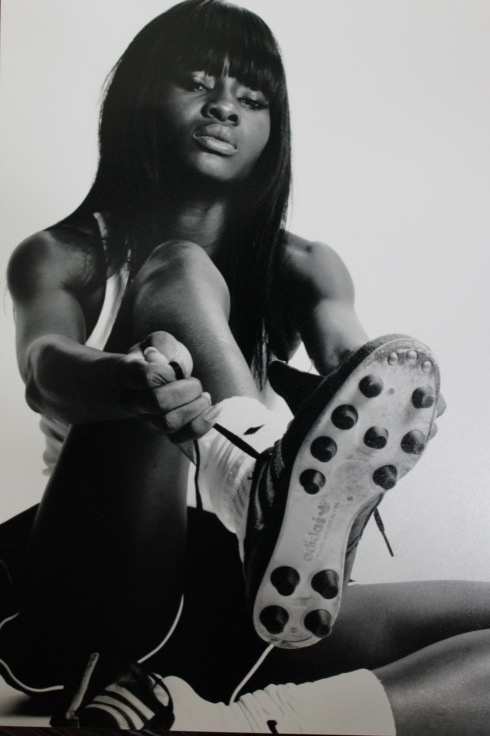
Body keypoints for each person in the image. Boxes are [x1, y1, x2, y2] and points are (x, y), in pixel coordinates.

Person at [1, 0, 489, 733]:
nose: (224, 107)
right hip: (101, 581)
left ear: (273, 129)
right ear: (138, 100)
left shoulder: (306, 268)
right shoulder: (66, 253)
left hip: (241, 599)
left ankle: (244, 722)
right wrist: (127, 381)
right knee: (176, 279)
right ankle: (255, 481)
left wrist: (391, 397)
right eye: (197, 83)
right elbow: (44, 370)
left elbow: (350, 356)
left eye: (251, 99)